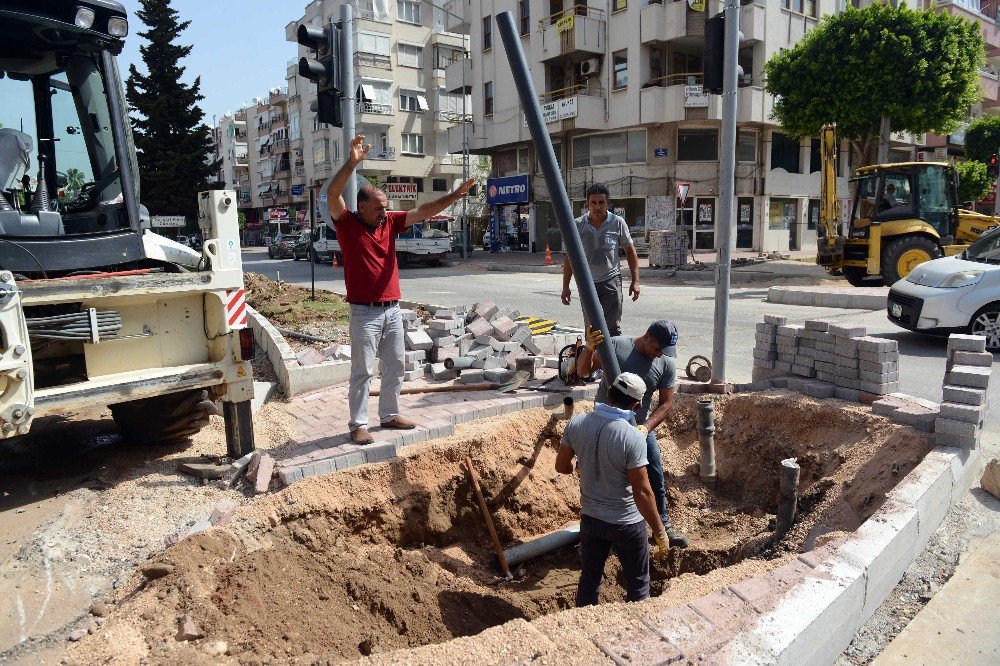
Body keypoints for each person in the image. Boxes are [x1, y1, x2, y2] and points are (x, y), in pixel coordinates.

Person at [328, 135, 474, 444]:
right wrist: (352, 164)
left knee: (395, 366)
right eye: (379, 207)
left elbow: (423, 210)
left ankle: (390, 415)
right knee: (363, 371)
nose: (385, 211)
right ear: (362, 206)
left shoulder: (390, 223)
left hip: (392, 309)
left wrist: (453, 197)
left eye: (386, 207)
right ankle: (358, 424)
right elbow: (332, 192)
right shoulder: (347, 224)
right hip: (364, 312)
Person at [555, 372, 669, 606]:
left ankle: (583, 629)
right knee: (638, 583)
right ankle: (638, 631)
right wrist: (659, 530)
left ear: (608, 393)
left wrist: (580, 466)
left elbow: (561, 466)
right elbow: (643, 493)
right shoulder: (632, 437)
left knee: (589, 580)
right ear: (636, 405)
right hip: (626, 523)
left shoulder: (576, 423)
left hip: (591, 520)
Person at [575, 319, 689, 548]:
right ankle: (595, 535)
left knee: (654, 477)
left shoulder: (666, 363)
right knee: (601, 478)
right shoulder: (616, 346)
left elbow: (666, 404)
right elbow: (582, 371)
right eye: (657, 349)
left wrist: (645, 428)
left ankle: (663, 527)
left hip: (638, 428)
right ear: (647, 336)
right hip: (605, 428)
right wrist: (589, 349)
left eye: (665, 351)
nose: (659, 355)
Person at [561, 183, 640, 337]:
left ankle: (614, 360)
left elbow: (630, 252)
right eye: (593, 203)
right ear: (587, 205)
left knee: (613, 328)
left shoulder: (617, 223)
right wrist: (565, 286)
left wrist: (635, 281)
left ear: (608, 204)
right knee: (592, 329)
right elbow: (569, 258)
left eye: (601, 203)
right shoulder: (577, 225)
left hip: (611, 281)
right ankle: (594, 361)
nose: (597, 207)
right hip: (587, 283)